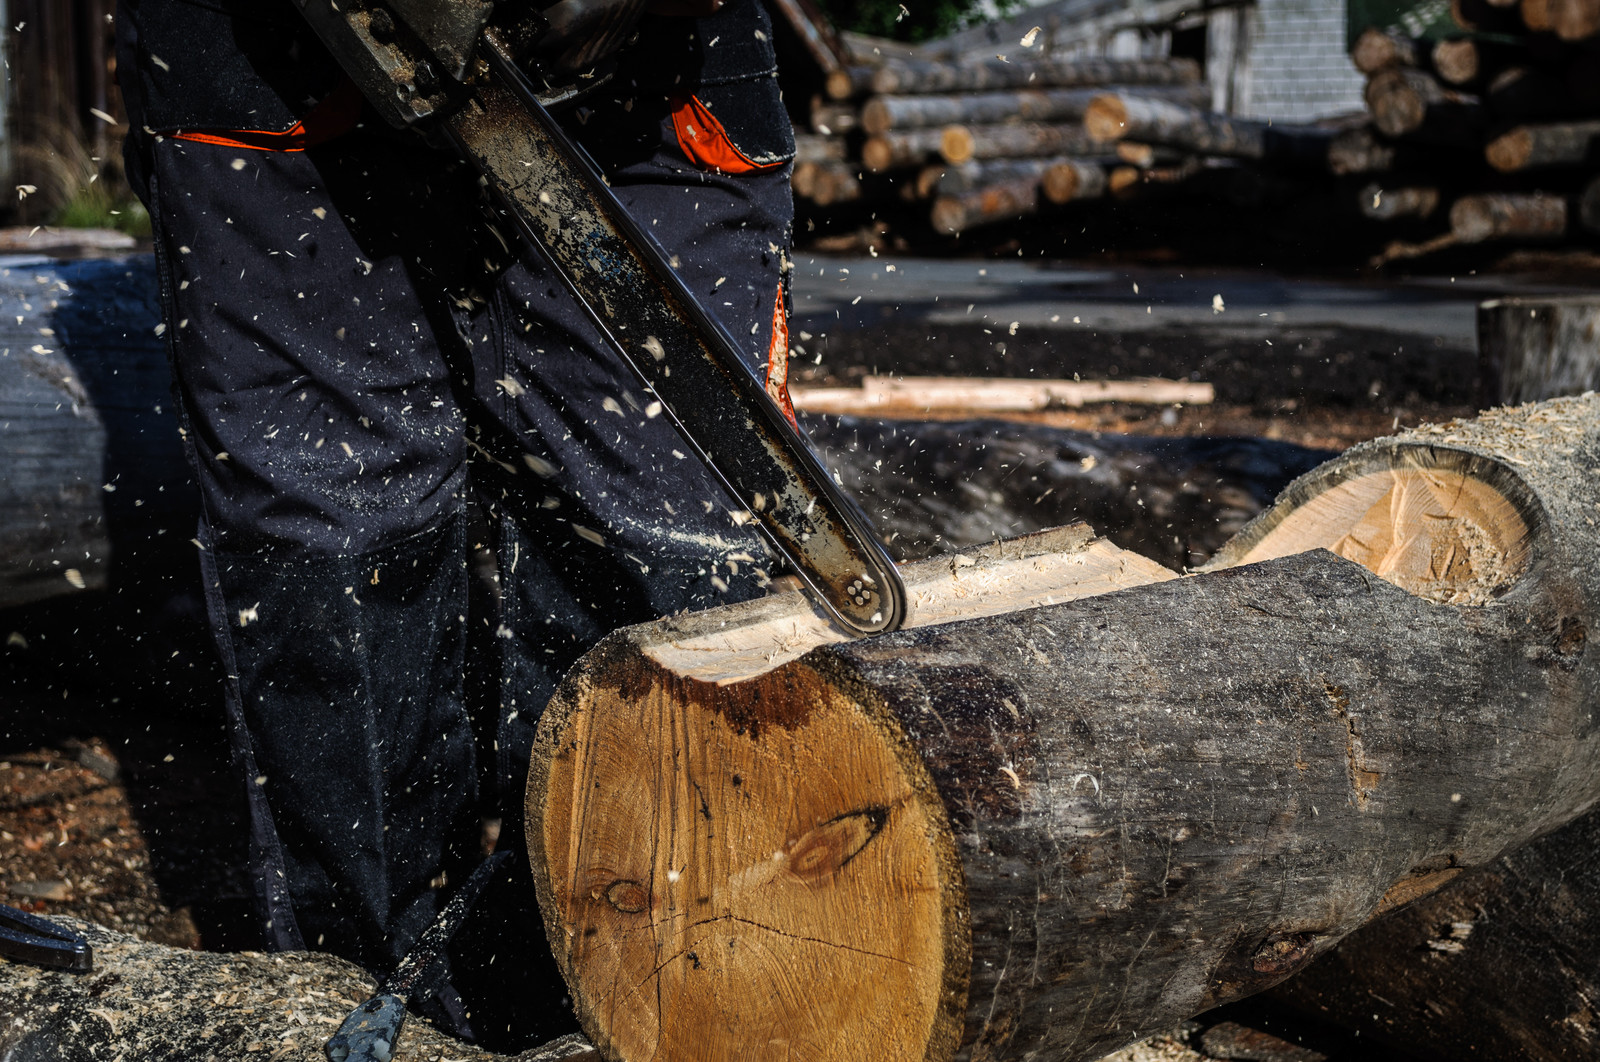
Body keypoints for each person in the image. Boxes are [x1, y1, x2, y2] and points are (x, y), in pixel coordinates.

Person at [114, 0, 797, 1045]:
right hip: (266, 53)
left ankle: (644, 964)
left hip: (659, 64)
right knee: (331, 505)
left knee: (679, 503)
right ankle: (356, 982)